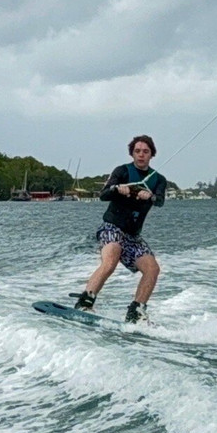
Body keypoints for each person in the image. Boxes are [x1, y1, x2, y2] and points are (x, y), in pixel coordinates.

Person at [73, 134, 167, 323]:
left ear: (152, 155)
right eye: (137, 151)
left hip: (133, 236)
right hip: (111, 228)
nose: (141, 155)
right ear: (132, 153)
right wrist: (118, 189)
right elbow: (104, 195)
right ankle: (86, 301)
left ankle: (136, 311)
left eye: (145, 152)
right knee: (111, 258)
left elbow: (160, 200)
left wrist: (149, 196)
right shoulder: (122, 171)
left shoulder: (158, 179)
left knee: (152, 269)